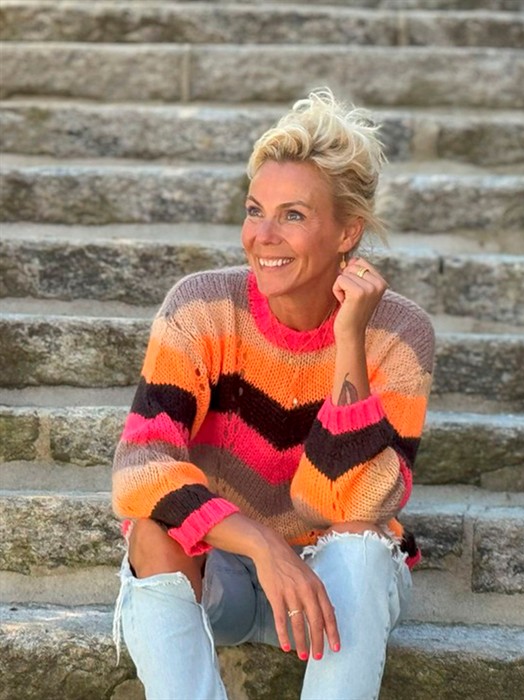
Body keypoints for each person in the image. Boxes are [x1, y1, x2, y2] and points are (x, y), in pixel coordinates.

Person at [111, 87, 435, 700]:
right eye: (255, 209)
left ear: (348, 232)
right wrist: (262, 545)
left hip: (338, 587)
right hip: (226, 572)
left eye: (293, 215)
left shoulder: (399, 334)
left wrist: (349, 339)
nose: (263, 235)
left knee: (362, 546)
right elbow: (141, 468)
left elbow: (347, 504)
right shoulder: (200, 308)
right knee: (149, 531)